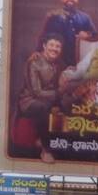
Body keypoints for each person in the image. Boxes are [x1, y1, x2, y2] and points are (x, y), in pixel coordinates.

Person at [16, 35, 64, 163]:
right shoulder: (34, 62)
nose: (55, 49)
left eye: (58, 46)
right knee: (43, 108)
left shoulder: (58, 64)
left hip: (49, 99)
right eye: (52, 45)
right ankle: (46, 150)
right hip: (29, 101)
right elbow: (36, 92)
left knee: (69, 104)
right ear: (44, 46)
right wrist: (57, 94)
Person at [39, 0, 95, 67]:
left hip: (80, 62)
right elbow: (44, 37)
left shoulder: (85, 18)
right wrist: (37, 52)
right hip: (57, 63)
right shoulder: (53, 17)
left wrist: (88, 35)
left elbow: (96, 36)